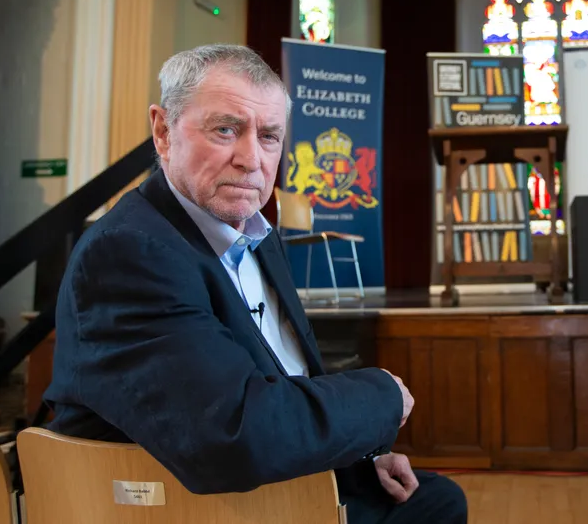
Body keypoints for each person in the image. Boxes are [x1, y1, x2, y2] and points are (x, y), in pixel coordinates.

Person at [43, 44, 467, 523]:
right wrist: (382, 395)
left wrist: (361, 453)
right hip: (183, 504)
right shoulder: (129, 253)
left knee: (436, 499)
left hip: (265, 479)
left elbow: (286, 377)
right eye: (225, 129)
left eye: (269, 137)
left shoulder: (257, 235)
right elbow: (231, 434)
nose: (251, 159)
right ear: (163, 132)